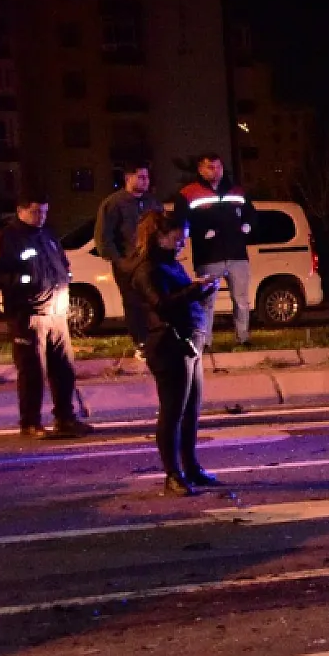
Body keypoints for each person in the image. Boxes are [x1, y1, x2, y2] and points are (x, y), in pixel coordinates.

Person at [0, 189, 93, 439]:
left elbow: (62, 263)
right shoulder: (6, 238)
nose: (40, 216)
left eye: (44, 212)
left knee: (63, 369)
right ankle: (30, 422)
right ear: (20, 211)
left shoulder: (47, 235)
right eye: (34, 212)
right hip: (28, 315)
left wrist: (65, 277)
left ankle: (65, 418)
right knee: (32, 372)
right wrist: (24, 281)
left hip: (56, 314)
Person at [128, 211, 220, 497]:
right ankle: (173, 474)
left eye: (184, 239)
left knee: (191, 409)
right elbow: (162, 305)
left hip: (189, 341)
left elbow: (181, 297)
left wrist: (203, 290)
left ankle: (191, 467)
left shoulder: (171, 263)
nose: (182, 244)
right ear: (160, 236)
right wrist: (194, 289)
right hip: (169, 345)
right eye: (178, 238)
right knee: (173, 412)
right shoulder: (147, 270)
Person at [175, 153, 253, 347]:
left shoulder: (236, 191)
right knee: (206, 302)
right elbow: (181, 223)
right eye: (210, 167)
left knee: (241, 300)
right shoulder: (189, 193)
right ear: (200, 169)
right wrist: (200, 232)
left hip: (237, 254)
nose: (215, 171)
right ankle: (204, 341)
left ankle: (243, 338)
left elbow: (251, 214)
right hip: (208, 256)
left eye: (218, 167)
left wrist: (248, 225)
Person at [93, 160, 161, 351]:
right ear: (128, 178)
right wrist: (119, 260)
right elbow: (104, 236)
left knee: (153, 301)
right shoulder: (113, 204)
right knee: (133, 303)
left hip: (151, 262)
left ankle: (156, 340)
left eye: (147, 177)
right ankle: (140, 343)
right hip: (128, 264)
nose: (145, 181)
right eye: (141, 177)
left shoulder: (152, 202)